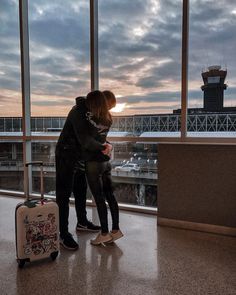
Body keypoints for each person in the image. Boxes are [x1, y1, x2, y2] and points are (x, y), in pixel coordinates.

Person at [55, 97, 111, 250]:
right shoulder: (78, 112)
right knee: (63, 195)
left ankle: (82, 222)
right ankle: (63, 233)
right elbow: (86, 140)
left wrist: (106, 144)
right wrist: (102, 148)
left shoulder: (89, 113)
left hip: (79, 157)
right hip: (65, 155)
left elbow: (96, 137)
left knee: (80, 191)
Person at [77, 90, 123, 245]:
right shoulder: (108, 118)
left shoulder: (89, 117)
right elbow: (102, 138)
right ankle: (115, 230)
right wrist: (106, 145)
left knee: (99, 198)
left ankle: (104, 233)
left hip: (93, 162)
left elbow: (87, 140)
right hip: (105, 161)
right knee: (110, 195)